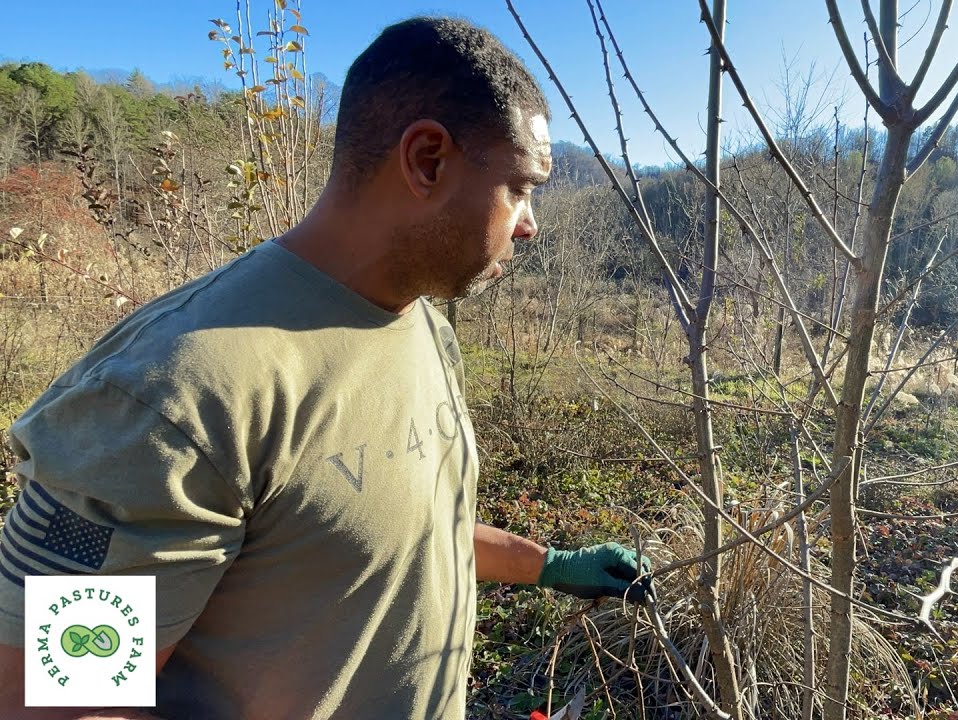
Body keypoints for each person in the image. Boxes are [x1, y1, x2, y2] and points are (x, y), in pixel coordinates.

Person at [0, 16, 648, 720]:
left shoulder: (421, 322)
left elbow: (395, 523)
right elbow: (56, 703)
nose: (529, 223)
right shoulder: (169, 397)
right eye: (521, 187)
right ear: (428, 160)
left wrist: (548, 564)